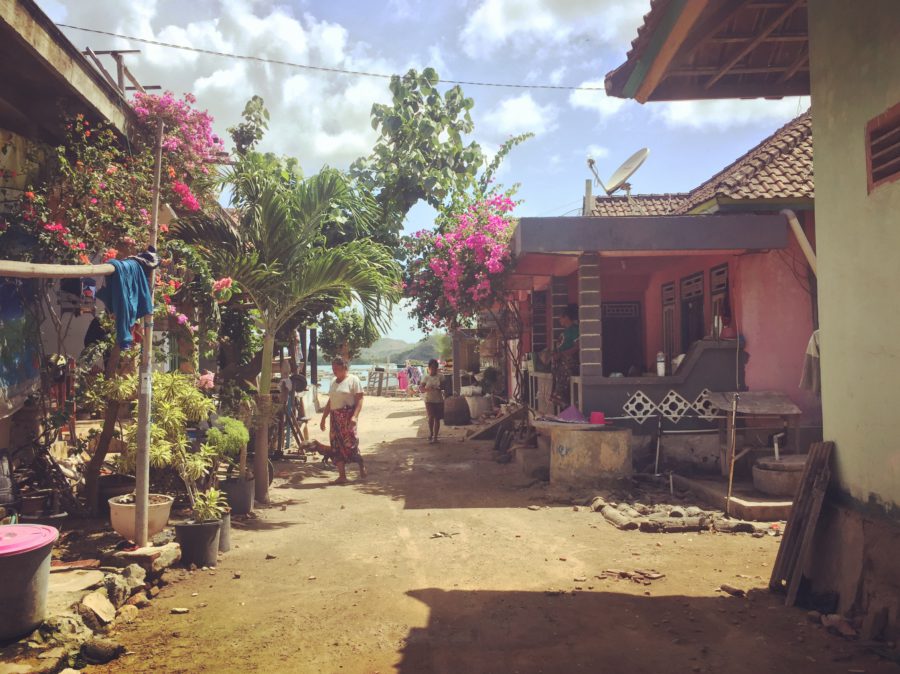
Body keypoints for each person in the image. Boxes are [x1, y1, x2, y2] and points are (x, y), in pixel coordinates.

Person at [319, 357, 366, 484]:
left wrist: (355, 416)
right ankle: (342, 476)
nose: (334, 371)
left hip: (347, 417)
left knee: (350, 444)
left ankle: (360, 464)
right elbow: (330, 401)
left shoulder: (353, 380)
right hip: (335, 418)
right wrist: (324, 418)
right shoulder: (333, 381)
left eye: (337, 368)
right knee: (336, 445)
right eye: (333, 368)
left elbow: (360, 399)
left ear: (345, 368)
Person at [551, 304, 580, 407]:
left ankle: (563, 399)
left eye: (561, 317)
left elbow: (578, 346)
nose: (559, 319)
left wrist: (562, 354)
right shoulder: (565, 331)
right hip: (559, 363)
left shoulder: (575, 330)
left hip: (569, 363)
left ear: (566, 317)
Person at [420, 358, 444, 443]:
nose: (434, 369)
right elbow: (421, 389)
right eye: (432, 367)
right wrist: (427, 389)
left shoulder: (440, 376)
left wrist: (439, 388)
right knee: (431, 417)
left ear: (437, 368)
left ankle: (435, 437)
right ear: (429, 368)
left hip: (438, 400)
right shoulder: (426, 377)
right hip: (429, 400)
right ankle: (431, 433)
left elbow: (445, 387)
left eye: (435, 367)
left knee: (437, 418)